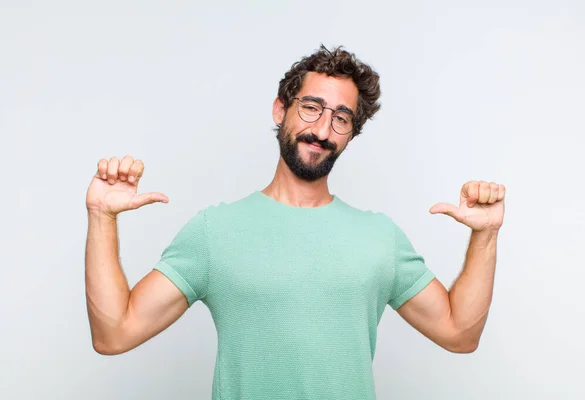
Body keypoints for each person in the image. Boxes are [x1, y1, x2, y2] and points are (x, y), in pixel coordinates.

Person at [85, 45, 506, 400]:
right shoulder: (215, 232)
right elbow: (114, 334)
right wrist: (102, 217)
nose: (322, 130)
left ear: (350, 135)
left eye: (341, 118)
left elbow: (459, 333)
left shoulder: (379, 238)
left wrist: (485, 234)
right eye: (311, 108)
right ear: (280, 109)